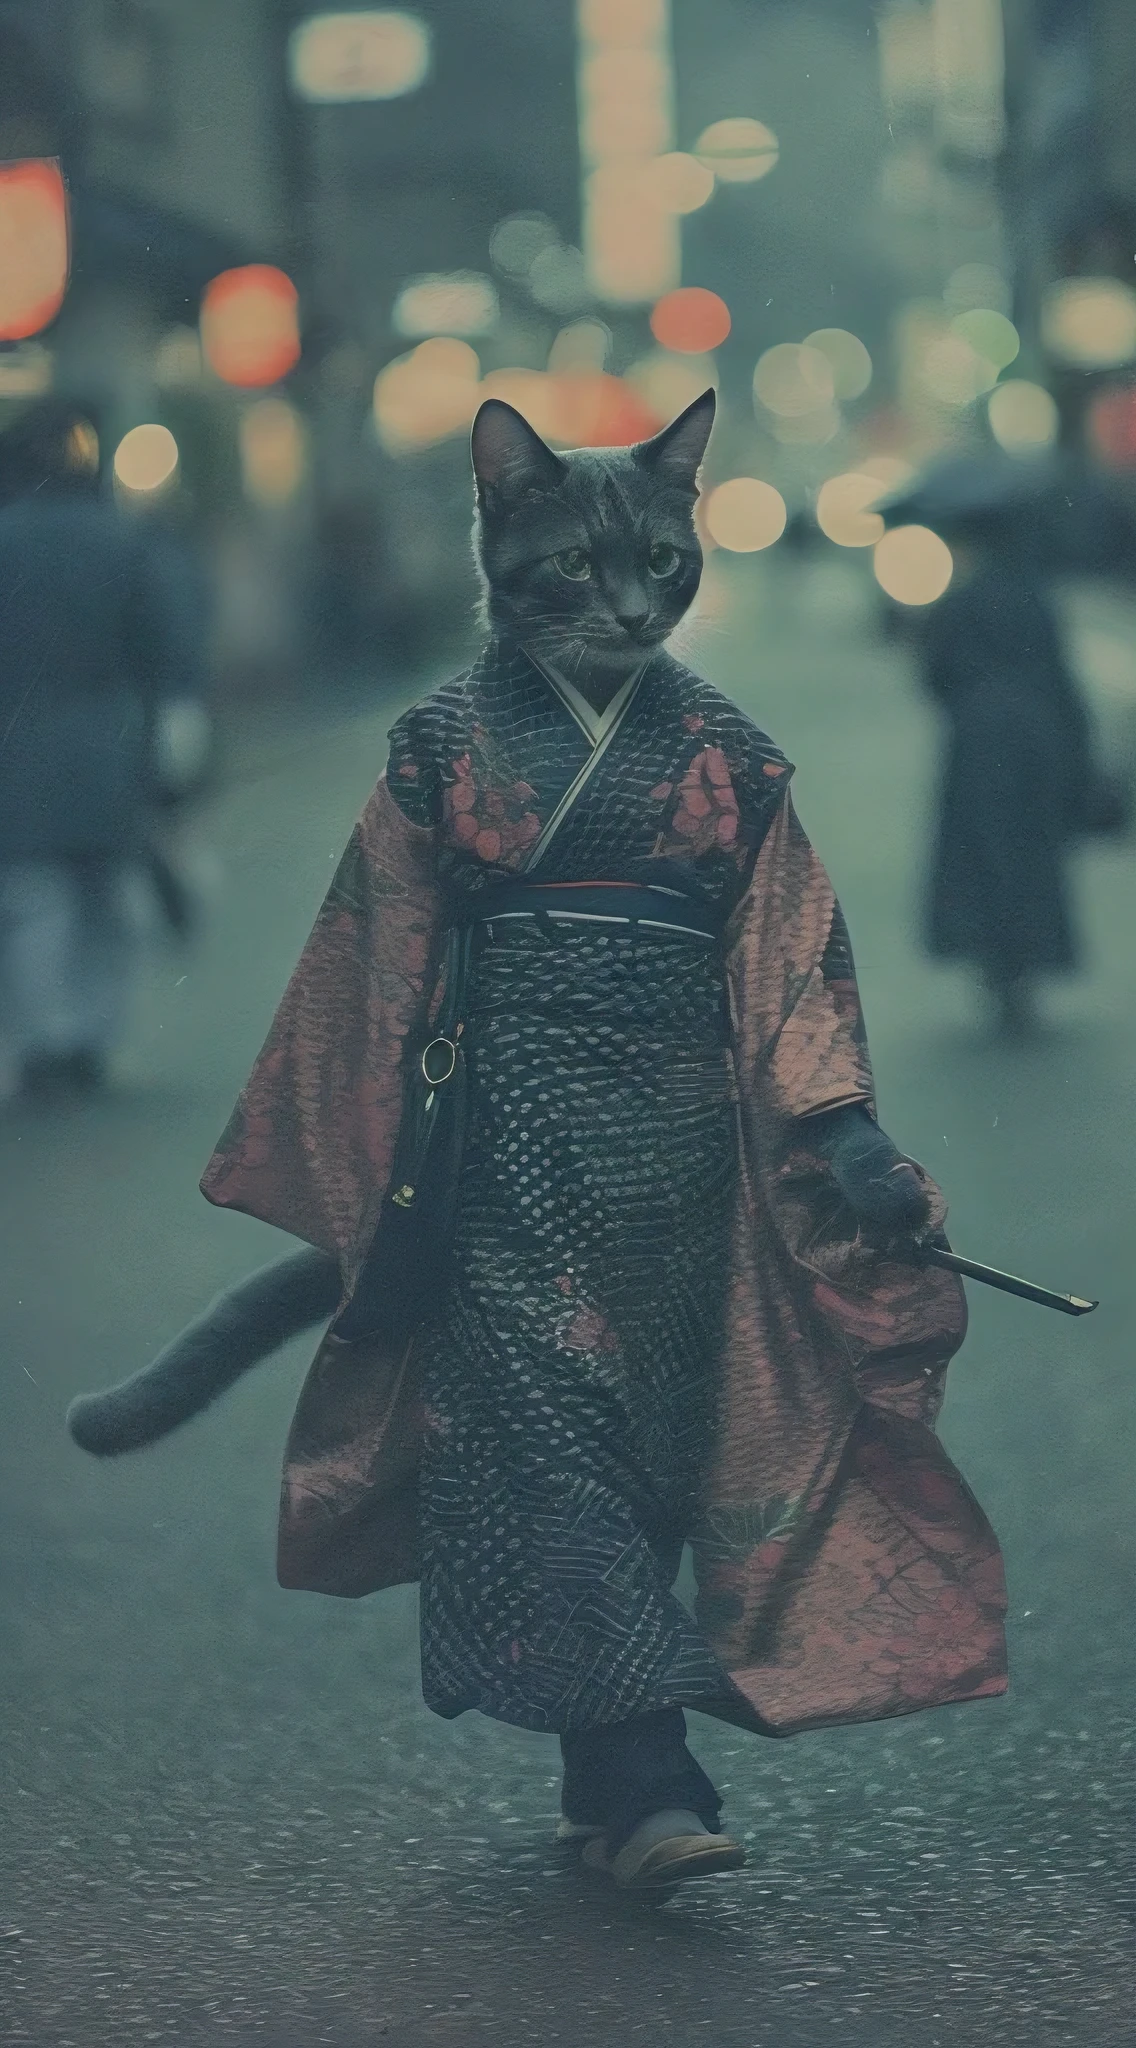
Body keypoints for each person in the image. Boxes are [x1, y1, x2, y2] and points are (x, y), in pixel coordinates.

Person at [71, 393, 1008, 1891]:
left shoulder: (733, 757)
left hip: (686, 1180)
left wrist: (844, 1131)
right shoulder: (443, 745)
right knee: (552, 1460)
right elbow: (364, 970)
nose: (629, 602)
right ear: (496, 533)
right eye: (578, 572)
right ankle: (652, 1789)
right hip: (495, 1167)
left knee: (648, 1474)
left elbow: (788, 959)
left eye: (658, 562)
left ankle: (603, 1771)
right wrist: (364, 1170)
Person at [0, 399, 206, 1099]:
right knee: (106, 898)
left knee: (33, 898)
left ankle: (41, 1040)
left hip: (15, 744)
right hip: (111, 738)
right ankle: (90, 1035)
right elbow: (170, 648)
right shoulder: (126, 540)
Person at [917, 523, 1097, 1038]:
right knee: (1031, 853)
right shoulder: (1036, 599)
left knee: (981, 854)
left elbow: (934, 675)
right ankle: (1027, 965)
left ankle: (994, 965)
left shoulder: (961, 601)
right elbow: (1061, 678)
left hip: (979, 742)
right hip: (1037, 743)